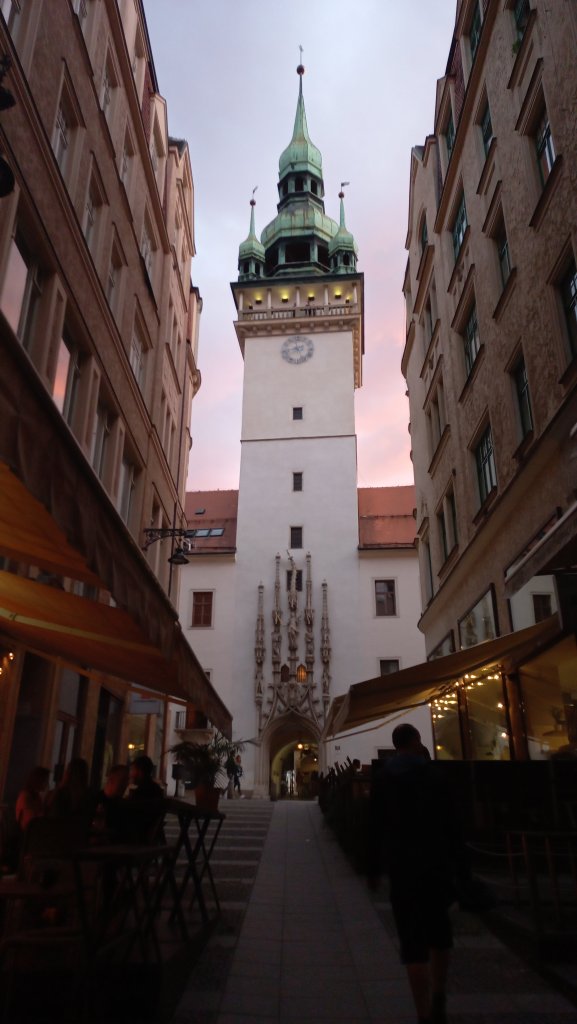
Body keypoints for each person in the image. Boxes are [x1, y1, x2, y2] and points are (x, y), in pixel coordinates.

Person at [368, 724, 462, 1024]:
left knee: (412, 943)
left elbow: (375, 826)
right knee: (440, 935)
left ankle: (423, 1013)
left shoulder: (383, 778)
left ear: (395, 746)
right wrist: (463, 872)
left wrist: (373, 868)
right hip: (435, 866)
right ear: (418, 742)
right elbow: (453, 827)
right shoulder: (436, 776)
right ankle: (439, 994)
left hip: (403, 869)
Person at [15, 766, 50, 831]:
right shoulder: (26, 796)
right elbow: (30, 822)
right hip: (27, 833)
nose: (47, 784)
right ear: (38, 780)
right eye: (46, 781)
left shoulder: (36, 796)